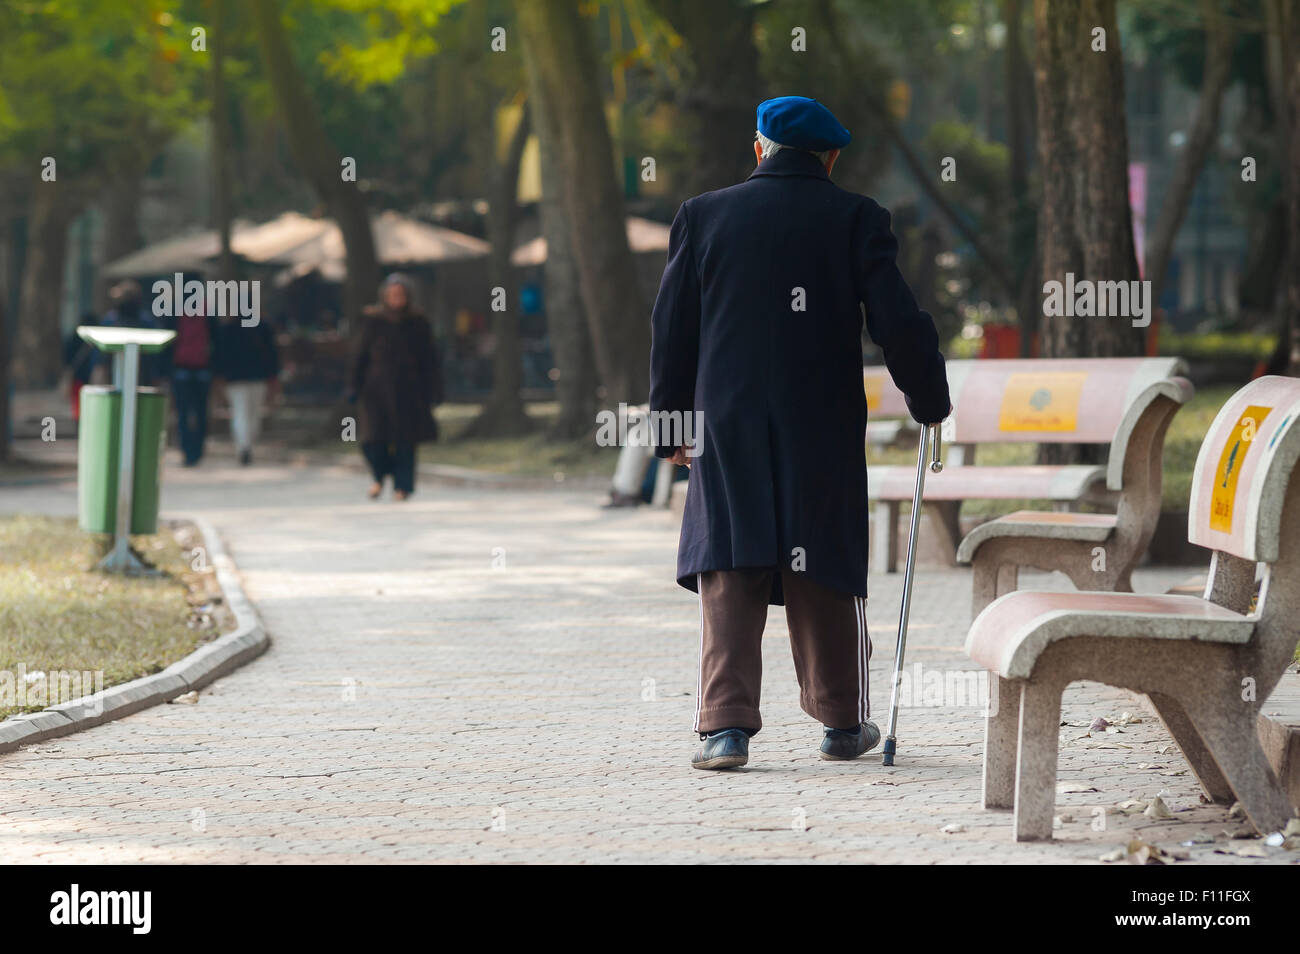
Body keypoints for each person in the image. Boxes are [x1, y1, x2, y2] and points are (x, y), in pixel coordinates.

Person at [648, 96, 952, 771]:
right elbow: (901, 322)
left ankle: (724, 728)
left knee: (729, 557)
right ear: (831, 157)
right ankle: (842, 722)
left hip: (726, 416)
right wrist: (929, 401)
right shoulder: (856, 218)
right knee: (821, 556)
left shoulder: (704, 215)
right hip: (821, 418)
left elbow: (672, 330)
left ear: (759, 149)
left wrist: (668, 419)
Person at [346, 274, 442, 500]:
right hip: (375, 390)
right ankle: (379, 476)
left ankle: (403, 486)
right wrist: (353, 385)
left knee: (406, 442)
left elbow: (430, 359)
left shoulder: (418, 322)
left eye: (400, 295)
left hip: (410, 391)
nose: (396, 299)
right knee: (372, 441)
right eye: (392, 295)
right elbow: (358, 355)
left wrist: (435, 389)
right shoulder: (372, 320)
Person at [213, 315, 280, 466]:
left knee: (240, 413)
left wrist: (219, 377)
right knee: (253, 414)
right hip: (258, 377)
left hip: (235, 379)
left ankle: (244, 446)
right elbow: (272, 355)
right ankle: (247, 446)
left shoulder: (228, 329)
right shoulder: (262, 327)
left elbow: (219, 355)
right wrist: (273, 378)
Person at [169, 296, 214, 467]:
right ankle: (198, 450)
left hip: (181, 369)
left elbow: (169, 341)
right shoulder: (207, 311)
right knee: (201, 411)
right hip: (203, 369)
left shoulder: (175, 310)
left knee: (183, 413)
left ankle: (187, 451)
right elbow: (215, 339)